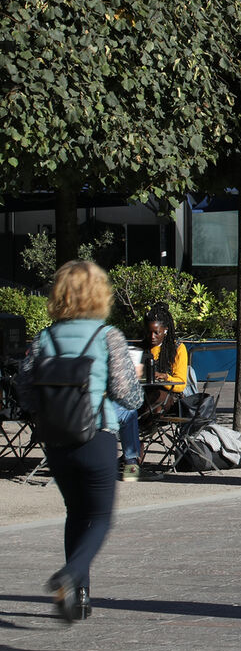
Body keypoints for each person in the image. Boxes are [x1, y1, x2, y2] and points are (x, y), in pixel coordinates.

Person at [14, 260, 143, 622]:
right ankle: (71, 574)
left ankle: (79, 596)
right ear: (100, 294)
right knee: (100, 516)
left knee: (75, 514)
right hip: (96, 437)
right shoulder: (107, 337)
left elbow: (24, 393)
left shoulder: (45, 338)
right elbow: (129, 397)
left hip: (56, 442)